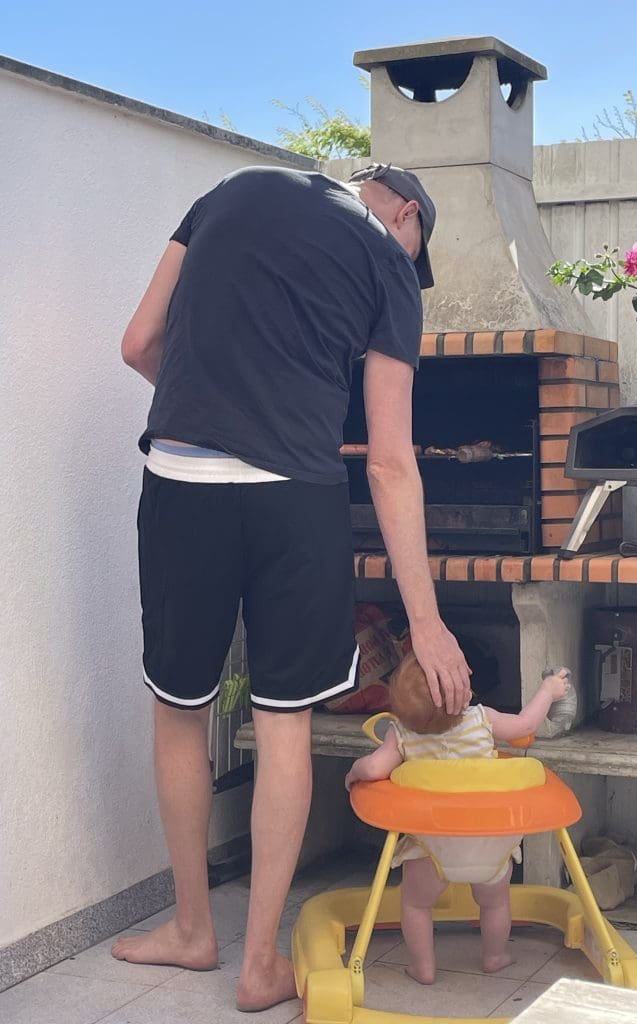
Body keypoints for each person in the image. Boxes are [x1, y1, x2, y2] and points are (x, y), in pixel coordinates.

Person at [111, 163, 472, 1011]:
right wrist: (426, 624)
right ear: (405, 214)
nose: (410, 262)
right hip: (295, 499)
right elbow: (389, 460)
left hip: (182, 484)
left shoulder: (230, 190)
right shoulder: (388, 265)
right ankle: (258, 965)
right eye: (418, 248)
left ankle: (192, 931)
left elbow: (138, 345)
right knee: (283, 724)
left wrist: (220, 412)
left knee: (181, 712)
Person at [344, 654, 571, 984]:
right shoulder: (482, 719)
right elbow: (525, 726)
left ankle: (423, 967)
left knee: (416, 905)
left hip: (431, 845)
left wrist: (352, 774)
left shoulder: (402, 733)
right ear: (462, 693)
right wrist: (549, 691)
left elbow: (375, 768)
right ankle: (494, 956)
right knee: (495, 903)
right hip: (490, 842)